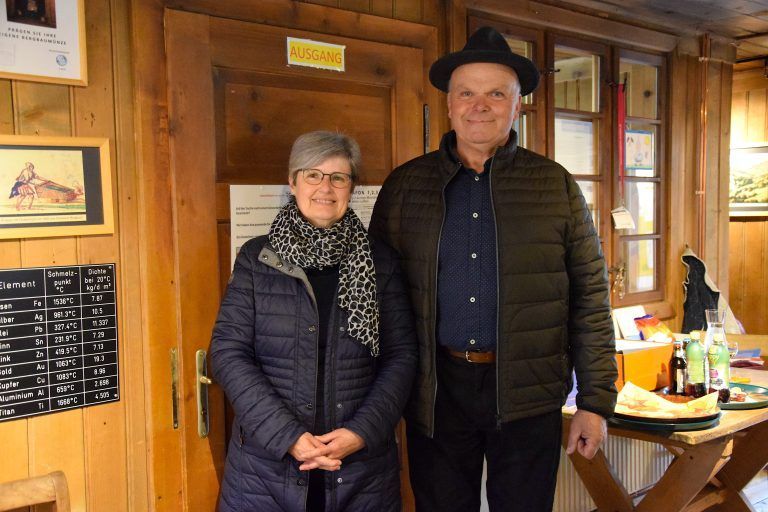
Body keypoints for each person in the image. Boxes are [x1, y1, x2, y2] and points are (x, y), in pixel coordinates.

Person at [369, 26, 618, 512]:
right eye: (467, 92)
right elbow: (378, 299)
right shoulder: (404, 187)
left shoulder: (556, 187)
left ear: (516, 105)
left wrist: (595, 402)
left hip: (528, 396)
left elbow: (590, 299)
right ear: (449, 103)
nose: (479, 105)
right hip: (435, 396)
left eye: (495, 93)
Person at [211, 131, 417, 512]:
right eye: (313, 175)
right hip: (266, 468)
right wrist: (287, 435)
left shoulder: (381, 262)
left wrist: (361, 432)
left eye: (338, 177)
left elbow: (401, 356)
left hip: (360, 469)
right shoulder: (257, 259)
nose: (326, 187)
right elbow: (227, 352)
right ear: (292, 182)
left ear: (351, 186)